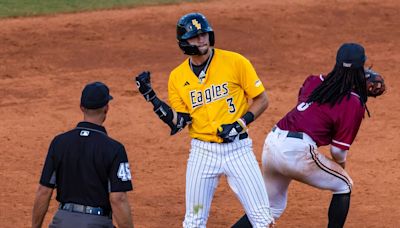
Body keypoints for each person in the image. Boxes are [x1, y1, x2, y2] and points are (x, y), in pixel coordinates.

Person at [135, 12, 274, 228]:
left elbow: (262, 100)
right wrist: (152, 98)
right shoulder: (177, 77)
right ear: (184, 42)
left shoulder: (235, 62)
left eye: (204, 34)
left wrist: (240, 123)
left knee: (262, 219)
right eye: (195, 36)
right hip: (202, 154)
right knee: (194, 220)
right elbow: (179, 122)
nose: (202, 39)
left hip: (239, 151)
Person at [232, 43, 371, 228]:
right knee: (344, 184)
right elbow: (338, 151)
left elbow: (309, 112)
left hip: (273, 142)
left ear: (336, 63)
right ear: (361, 67)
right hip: (297, 151)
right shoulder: (353, 102)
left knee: (269, 209)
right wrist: (340, 167)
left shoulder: (313, 81)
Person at [32, 82, 134, 228]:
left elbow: (44, 191)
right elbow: (118, 198)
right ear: (106, 108)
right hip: (97, 222)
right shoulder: (114, 149)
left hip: (62, 221)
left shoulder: (59, 143)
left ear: (81, 107)